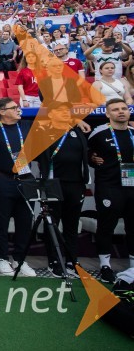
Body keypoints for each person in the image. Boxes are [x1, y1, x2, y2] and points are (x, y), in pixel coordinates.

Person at [36, 100, 90, 278]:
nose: (66, 113)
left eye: (68, 111)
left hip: (76, 184)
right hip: (53, 185)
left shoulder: (77, 131)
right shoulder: (44, 132)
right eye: (60, 111)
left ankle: (72, 260)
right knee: (52, 224)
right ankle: (54, 261)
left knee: (71, 225)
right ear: (51, 115)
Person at [0, 97, 36, 277]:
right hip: (2, 178)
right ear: (2, 112)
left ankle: (20, 259)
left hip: (26, 178)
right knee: (2, 220)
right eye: (14, 107)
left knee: (25, 221)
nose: (19, 110)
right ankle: (1, 258)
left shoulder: (27, 126)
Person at [87, 98, 134, 283]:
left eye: (124, 109)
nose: (121, 112)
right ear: (107, 114)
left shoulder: (132, 133)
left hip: (131, 187)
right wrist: (92, 158)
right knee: (106, 226)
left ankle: (132, 266)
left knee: (133, 227)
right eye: (115, 109)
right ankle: (105, 265)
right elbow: (87, 153)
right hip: (109, 187)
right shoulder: (99, 133)